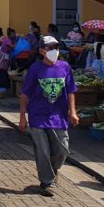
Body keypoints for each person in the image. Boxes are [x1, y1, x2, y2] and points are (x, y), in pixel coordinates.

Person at [19, 36, 78, 197]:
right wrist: (22, 116)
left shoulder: (65, 67)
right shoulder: (35, 69)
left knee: (62, 149)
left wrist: (72, 111)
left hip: (59, 115)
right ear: (42, 51)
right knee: (42, 150)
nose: (54, 51)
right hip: (38, 115)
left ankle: (53, 171)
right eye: (50, 48)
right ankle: (46, 182)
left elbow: (71, 90)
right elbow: (25, 94)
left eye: (56, 47)